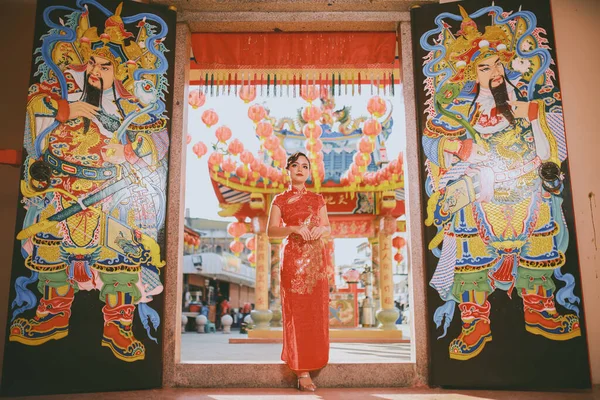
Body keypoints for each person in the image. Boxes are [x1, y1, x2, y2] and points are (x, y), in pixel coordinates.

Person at [9, 4, 169, 362]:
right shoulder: (62, 94)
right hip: (60, 188)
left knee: (120, 263)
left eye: (106, 66)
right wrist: (65, 110)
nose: (96, 71)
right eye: (92, 64)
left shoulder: (132, 109)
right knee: (50, 252)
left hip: (110, 195)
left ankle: (118, 326)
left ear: (121, 70)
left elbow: (156, 144)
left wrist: (125, 153)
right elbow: (34, 110)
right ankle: (52, 314)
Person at [422, 5, 581, 361]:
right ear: (469, 73)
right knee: (470, 257)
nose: (493, 72)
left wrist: (536, 117)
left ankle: (540, 308)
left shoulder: (526, 103)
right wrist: (456, 146)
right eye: (483, 67)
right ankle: (474, 320)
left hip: (526, 188)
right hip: (479, 195)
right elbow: (432, 142)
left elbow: (548, 151)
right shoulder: (460, 113)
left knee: (540, 243)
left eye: (496, 64)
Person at [267, 152, 332, 392]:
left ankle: (314, 360)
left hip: (316, 261)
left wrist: (320, 231)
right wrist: (292, 228)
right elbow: (271, 231)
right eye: (295, 165)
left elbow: (327, 227)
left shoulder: (317, 199)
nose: (300, 170)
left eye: (305, 166)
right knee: (297, 314)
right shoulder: (280, 200)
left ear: (309, 172)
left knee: (316, 311)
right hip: (293, 261)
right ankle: (301, 370)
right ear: (288, 170)